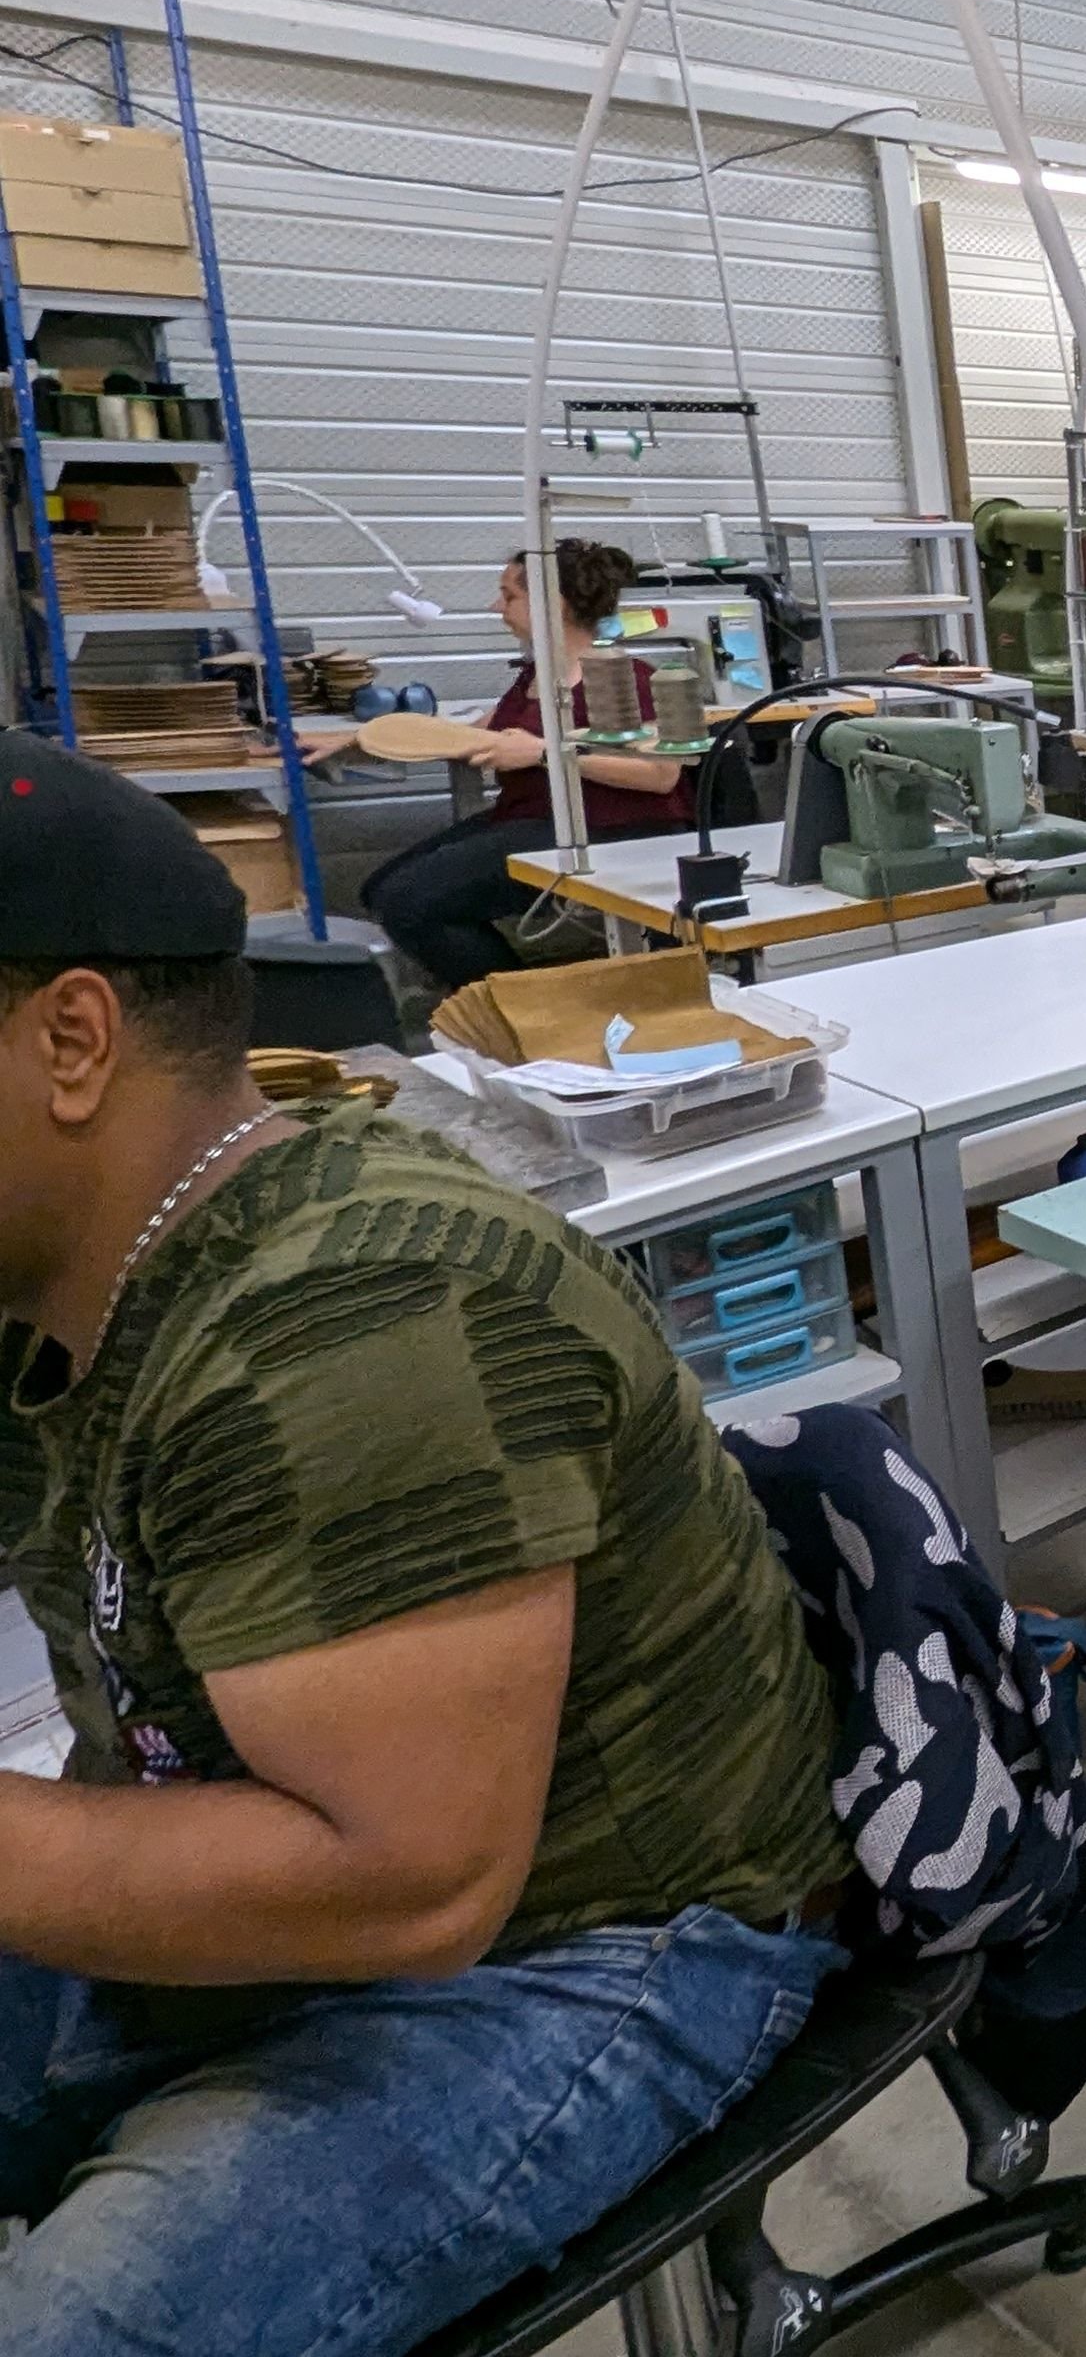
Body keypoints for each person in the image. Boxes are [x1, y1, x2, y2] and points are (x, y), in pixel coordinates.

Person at [0, 732, 854, 2351]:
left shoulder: (357, 1315)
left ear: (72, 1039)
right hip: (267, 1829)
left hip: (591, 1936)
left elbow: (410, 1883)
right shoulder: (63, 1269)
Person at [341, 541, 687, 990]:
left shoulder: (621, 677)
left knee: (409, 903)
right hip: (538, 820)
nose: (496, 606)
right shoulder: (536, 677)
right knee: (379, 890)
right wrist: (353, 739)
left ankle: (516, 1005)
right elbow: (472, 733)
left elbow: (661, 776)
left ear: (551, 604)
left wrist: (544, 753)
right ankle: (502, 999)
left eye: (509, 596)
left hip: (610, 829)